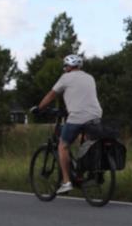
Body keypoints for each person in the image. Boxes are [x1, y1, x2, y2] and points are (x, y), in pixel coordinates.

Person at [34, 54, 103, 194]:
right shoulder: (90, 77)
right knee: (86, 143)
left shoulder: (65, 78)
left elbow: (51, 95)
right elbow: (81, 95)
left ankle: (66, 182)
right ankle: (86, 171)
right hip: (96, 115)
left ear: (68, 67)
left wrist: (39, 108)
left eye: (65, 66)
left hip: (77, 116)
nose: (64, 68)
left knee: (63, 145)